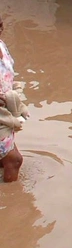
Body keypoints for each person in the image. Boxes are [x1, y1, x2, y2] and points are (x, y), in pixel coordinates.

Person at [0, 15, 25, 183]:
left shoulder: (1, 45)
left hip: (4, 110)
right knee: (14, 160)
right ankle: (13, 204)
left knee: (4, 159)